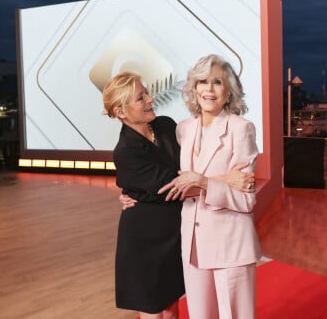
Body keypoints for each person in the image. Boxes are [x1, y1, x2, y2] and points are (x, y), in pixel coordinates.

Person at [104, 71, 254, 319]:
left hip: (175, 232)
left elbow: (192, 166)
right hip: (145, 239)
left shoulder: (165, 126)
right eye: (140, 98)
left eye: (146, 93)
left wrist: (205, 179)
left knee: (171, 308)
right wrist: (226, 180)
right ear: (121, 112)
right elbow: (176, 185)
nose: (150, 99)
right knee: (153, 311)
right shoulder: (125, 151)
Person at [158, 54, 261, 319]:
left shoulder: (241, 129)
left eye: (217, 82)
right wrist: (131, 193)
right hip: (192, 244)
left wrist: (204, 182)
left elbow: (246, 200)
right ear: (194, 89)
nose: (209, 89)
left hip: (231, 243)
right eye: (202, 82)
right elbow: (174, 179)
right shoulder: (183, 129)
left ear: (229, 91)